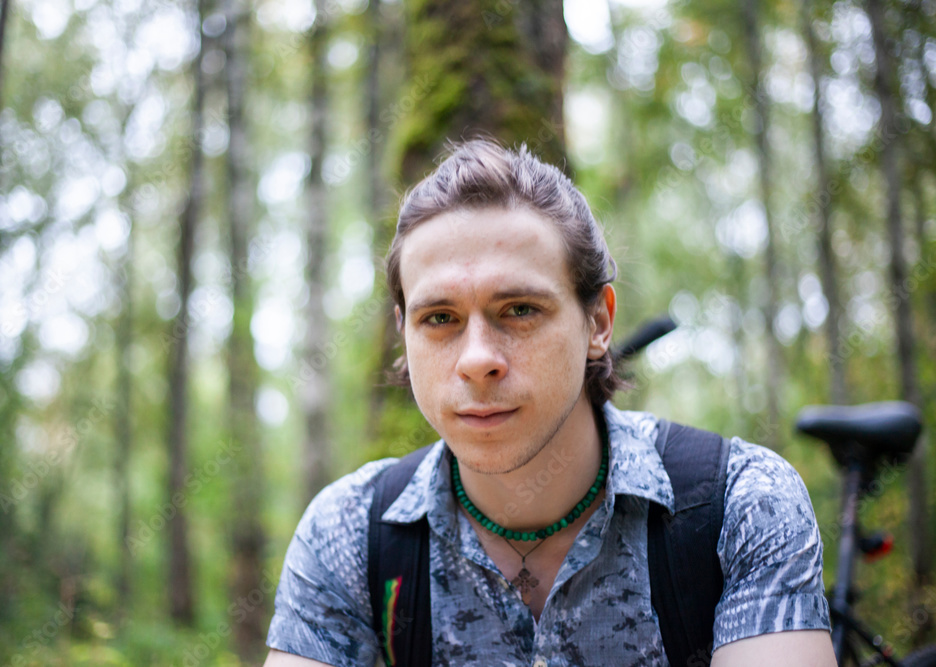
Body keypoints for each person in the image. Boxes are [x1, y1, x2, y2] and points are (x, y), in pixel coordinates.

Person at [263, 139, 835, 666]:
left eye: (519, 310)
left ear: (598, 322)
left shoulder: (739, 506)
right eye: (440, 318)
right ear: (404, 334)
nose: (476, 359)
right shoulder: (350, 535)